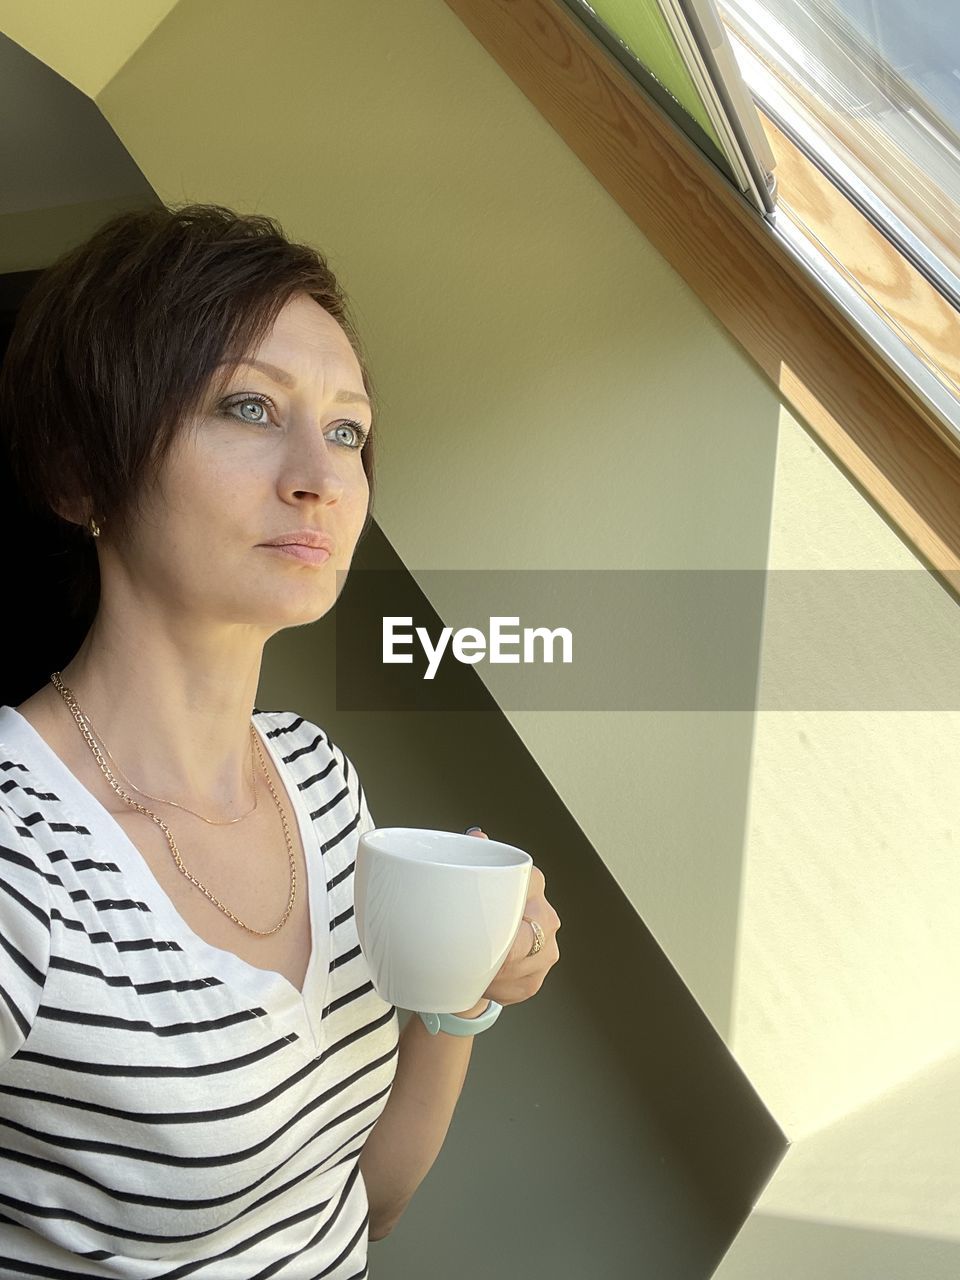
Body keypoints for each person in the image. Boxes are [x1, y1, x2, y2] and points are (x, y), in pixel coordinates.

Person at [0, 203, 561, 1278]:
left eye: (347, 428)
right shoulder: (20, 859)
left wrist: (463, 994)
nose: (322, 474)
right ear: (81, 472)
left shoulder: (312, 770)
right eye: (250, 405)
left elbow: (365, 1205)